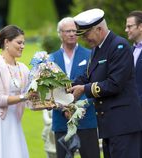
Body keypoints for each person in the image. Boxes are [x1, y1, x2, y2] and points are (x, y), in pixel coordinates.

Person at [70, 8, 142, 158]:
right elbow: (88, 76)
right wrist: (63, 88)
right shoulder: (97, 49)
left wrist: (84, 89)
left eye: (86, 34)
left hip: (124, 125)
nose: (84, 39)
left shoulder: (119, 46)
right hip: (109, 126)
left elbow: (114, 84)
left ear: (99, 29)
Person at [51, 17, 100, 158]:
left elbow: (94, 83)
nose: (72, 34)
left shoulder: (91, 55)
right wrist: (64, 109)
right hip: (62, 121)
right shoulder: (50, 60)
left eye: (75, 31)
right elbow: (49, 91)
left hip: (86, 119)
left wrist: (79, 107)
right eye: (68, 31)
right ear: (60, 33)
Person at [0, 25, 30, 158]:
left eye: (24, 43)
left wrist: (48, 101)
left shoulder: (23, 68)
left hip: (13, 120)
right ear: (6, 42)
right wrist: (25, 96)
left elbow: (31, 97)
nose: (22, 46)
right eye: (19, 42)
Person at [125, 10, 142, 157]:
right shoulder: (130, 50)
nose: (126, 30)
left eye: (130, 26)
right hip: (133, 116)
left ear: (141, 27)